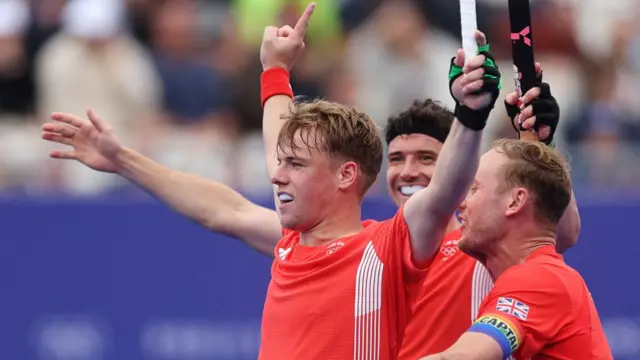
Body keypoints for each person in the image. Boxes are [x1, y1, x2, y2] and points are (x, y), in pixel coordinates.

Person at [40, 4, 503, 359]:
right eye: (283, 164)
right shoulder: (288, 243)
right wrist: (122, 159)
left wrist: (471, 113)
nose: (277, 174)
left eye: (297, 166)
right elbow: (226, 209)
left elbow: (444, 189)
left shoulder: (387, 249)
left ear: (346, 175)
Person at [396, 68, 581, 359]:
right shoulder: (375, 249)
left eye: (427, 158)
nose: (408, 172)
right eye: (396, 158)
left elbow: (557, 228)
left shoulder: (514, 265)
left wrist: (540, 145)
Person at [420, 139, 612, 359]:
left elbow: (463, 357)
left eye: (474, 189)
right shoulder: (543, 277)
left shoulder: (538, 279)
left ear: (515, 201)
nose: (461, 203)